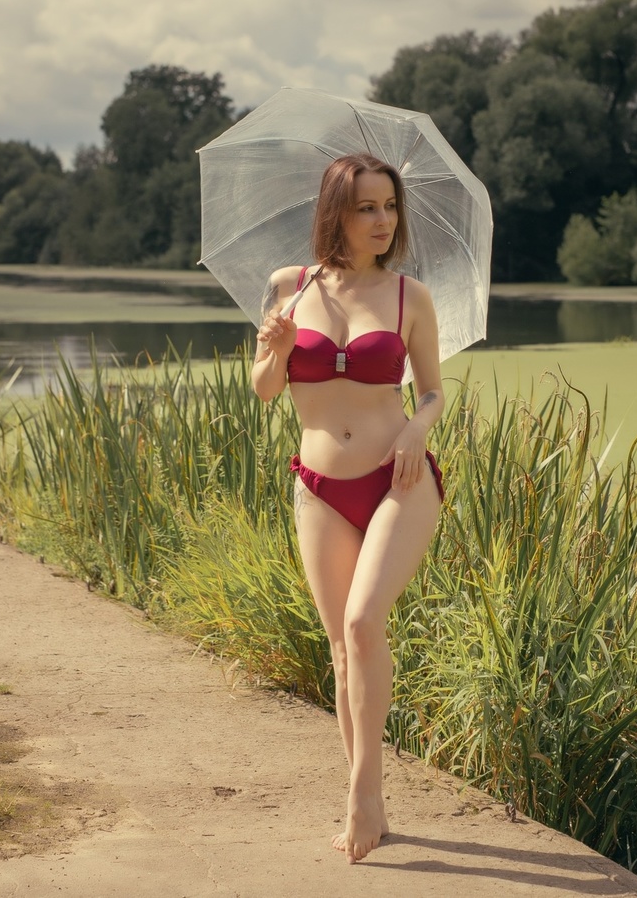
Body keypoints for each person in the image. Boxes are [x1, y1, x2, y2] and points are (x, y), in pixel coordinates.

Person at [251, 153, 445, 864]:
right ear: (336, 211)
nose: (382, 220)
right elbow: (265, 390)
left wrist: (419, 433)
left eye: (390, 206)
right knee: (340, 649)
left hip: (399, 478)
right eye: (366, 207)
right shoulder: (287, 287)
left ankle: (363, 794)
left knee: (365, 624)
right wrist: (274, 349)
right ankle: (372, 795)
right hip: (320, 486)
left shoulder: (408, 297)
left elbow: (431, 391)